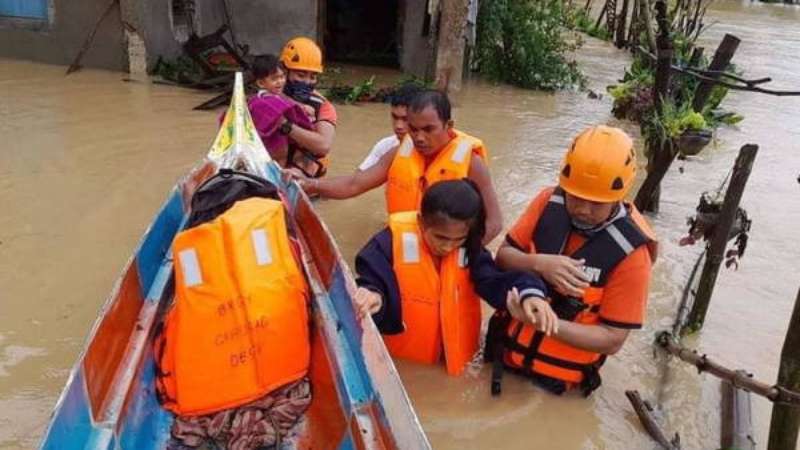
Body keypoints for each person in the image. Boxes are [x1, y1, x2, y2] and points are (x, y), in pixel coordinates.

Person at [488, 125, 658, 396]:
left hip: (557, 385)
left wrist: (541, 323)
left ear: (619, 196)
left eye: (596, 204)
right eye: (576, 197)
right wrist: (539, 263)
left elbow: (612, 339)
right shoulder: (547, 202)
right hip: (503, 356)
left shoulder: (633, 254)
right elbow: (504, 257)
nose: (583, 210)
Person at [156, 170, 312, 449]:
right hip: (284, 382)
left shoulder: (191, 259)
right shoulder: (281, 248)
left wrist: (190, 195)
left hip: (204, 406)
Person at [353, 179, 557, 376]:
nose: (448, 247)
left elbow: (496, 282)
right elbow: (374, 282)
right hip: (402, 365)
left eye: (458, 239)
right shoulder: (387, 244)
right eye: (440, 237)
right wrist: (374, 297)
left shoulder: (471, 251)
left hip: (455, 365)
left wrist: (529, 293)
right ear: (420, 222)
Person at [297, 90, 504, 244]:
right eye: (413, 129)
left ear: (448, 126)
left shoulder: (471, 162)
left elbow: (494, 223)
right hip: (406, 246)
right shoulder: (399, 152)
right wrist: (310, 184)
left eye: (428, 129)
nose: (419, 137)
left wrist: (461, 256)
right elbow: (354, 184)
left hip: (448, 250)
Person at [278, 37, 338, 178]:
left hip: (302, 166)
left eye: (313, 77)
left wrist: (285, 125)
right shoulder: (266, 98)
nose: (307, 82)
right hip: (270, 161)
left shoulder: (323, 106)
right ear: (285, 72)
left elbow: (323, 145)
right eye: (301, 75)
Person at [245, 54, 315, 168]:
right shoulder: (267, 101)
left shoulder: (268, 97)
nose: (280, 82)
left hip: (268, 145)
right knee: (279, 163)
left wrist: (301, 106)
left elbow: (288, 102)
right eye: (274, 79)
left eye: (282, 77)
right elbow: (291, 110)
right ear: (261, 83)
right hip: (275, 145)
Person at [358, 83, 422, 171]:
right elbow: (357, 179)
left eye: (405, 119)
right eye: (395, 117)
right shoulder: (385, 145)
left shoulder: (431, 151)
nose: (398, 126)